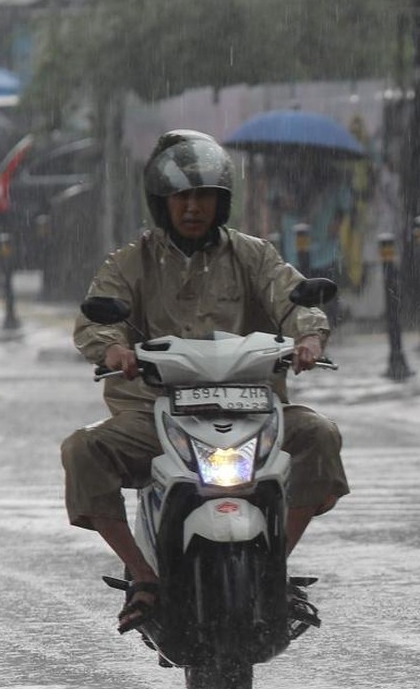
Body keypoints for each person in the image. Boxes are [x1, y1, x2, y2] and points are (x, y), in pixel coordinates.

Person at [61, 130, 350, 633]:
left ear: (222, 203)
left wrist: (309, 340)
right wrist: (112, 348)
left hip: (255, 411)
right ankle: (144, 575)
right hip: (156, 413)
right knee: (82, 450)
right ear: (162, 203)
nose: (193, 208)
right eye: (182, 197)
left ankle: (276, 566)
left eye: (204, 197)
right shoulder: (131, 262)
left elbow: (294, 299)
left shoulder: (254, 254)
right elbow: (94, 319)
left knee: (321, 436)